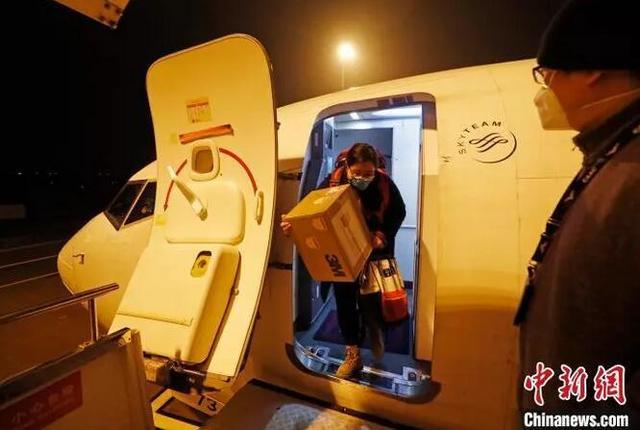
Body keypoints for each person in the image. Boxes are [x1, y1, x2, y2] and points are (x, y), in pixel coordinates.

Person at [516, 0, 640, 422]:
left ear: (591, 69)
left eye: (546, 74)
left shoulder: (631, 174)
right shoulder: (611, 156)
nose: (543, 91)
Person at [281, 142, 406, 378]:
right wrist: (293, 224)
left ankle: (376, 330)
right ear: (347, 167)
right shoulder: (334, 181)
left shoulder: (383, 183)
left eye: (368, 173)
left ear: (376, 169)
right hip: (342, 254)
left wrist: (382, 235)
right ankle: (353, 355)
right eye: (357, 173)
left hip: (373, 253)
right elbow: (309, 208)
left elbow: (399, 211)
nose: (363, 178)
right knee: (345, 303)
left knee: (371, 301)